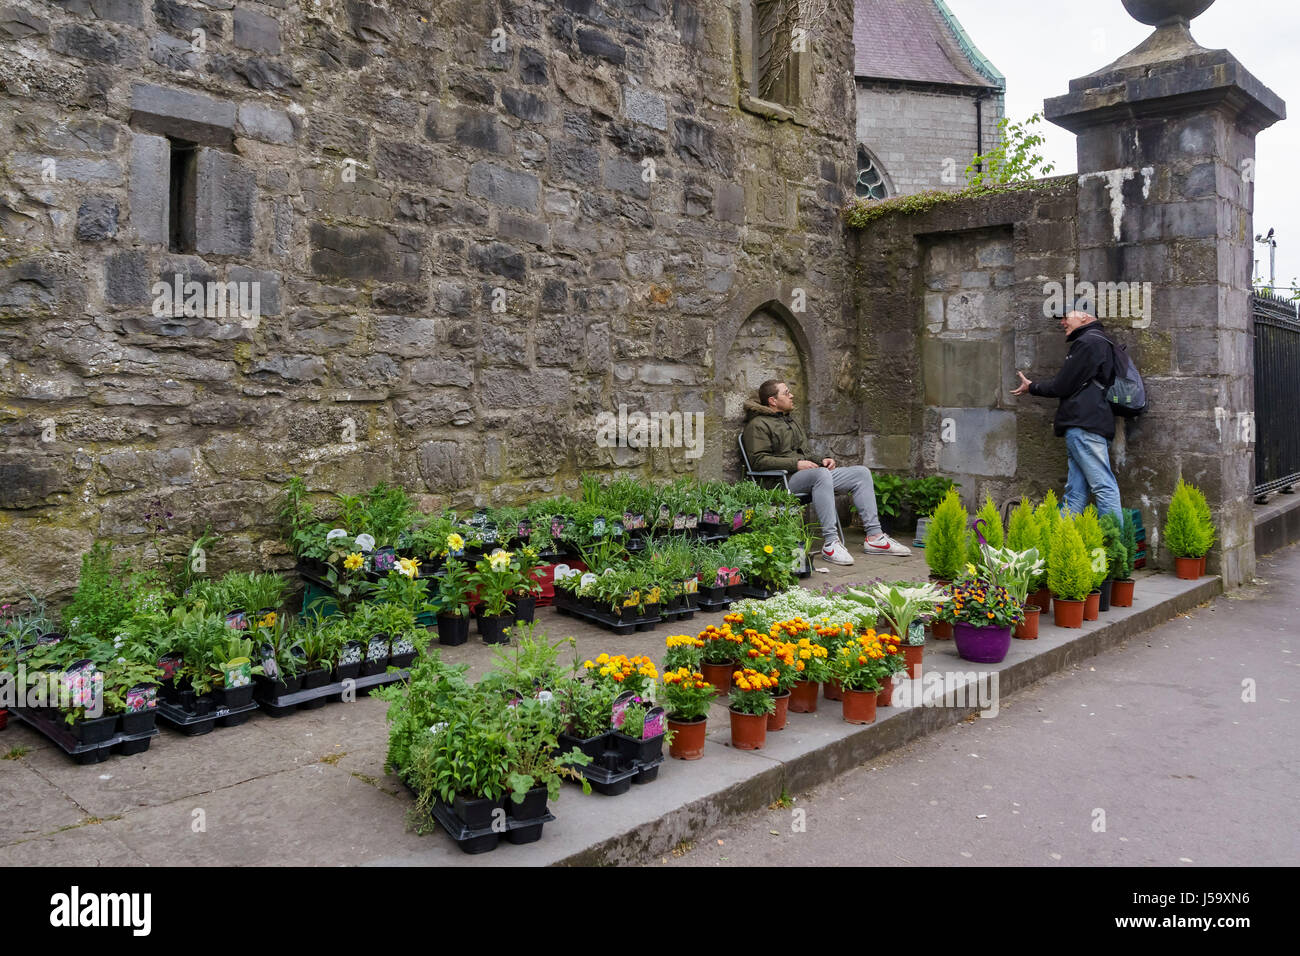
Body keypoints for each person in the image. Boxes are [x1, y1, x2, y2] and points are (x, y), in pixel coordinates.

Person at [742, 380, 911, 565]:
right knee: (821, 475)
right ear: (773, 401)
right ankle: (831, 543)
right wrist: (796, 464)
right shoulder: (758, 425)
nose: (791, 396)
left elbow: (806, 453)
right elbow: (758, 461)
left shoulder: (790, 420)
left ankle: (875, 537)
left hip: (806, 475)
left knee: (860, 473)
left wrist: (822, 459)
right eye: (786, 393)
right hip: (780, 481)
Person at [1012, 308, 1123, 520]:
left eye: (1066, 316)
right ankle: (1064, 543)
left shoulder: (1088, 343)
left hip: (1084, 426)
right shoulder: (1098, 341)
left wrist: (1032, 387)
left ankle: (1116, 547)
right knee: (1076, 492)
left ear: (1084, 315)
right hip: (1088, 424)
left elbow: (1062, 385)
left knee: (1103, 487)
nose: (1062, 322)